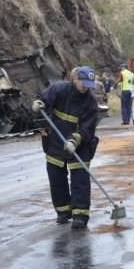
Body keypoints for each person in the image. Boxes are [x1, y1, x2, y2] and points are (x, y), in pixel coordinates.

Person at [31, 66, 99, 229]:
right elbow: (42, 99)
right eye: (84, 84)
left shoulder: (91, 102)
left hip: (80, 143)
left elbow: (88, 128)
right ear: (76, 79)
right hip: (56, 139)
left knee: (80, 179)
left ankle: (80, 215)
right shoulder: (59, 89)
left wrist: (75, 141)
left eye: (90, 85)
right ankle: (63, 211)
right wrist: (37, 104)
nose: (87, 88)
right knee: (56, 177)